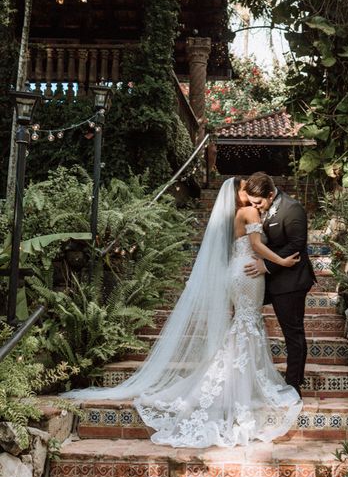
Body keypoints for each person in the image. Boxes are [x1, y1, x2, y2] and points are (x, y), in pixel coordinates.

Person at [62, 177, 302, 448]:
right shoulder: (248, 211)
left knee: (245, 323)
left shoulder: (235, 215)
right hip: (249, 272)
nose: (250, 192)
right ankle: (242, 384)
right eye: (245, 188)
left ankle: (240, 381)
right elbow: (257, 246)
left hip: (237, 271)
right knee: (247, 323)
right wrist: (281, 261)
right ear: (238, 194)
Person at [244, 172, 316, 398]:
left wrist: (266, 265)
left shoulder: (292, 209)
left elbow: (296, 245)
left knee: (293, 333)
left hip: (291, 282)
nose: (255, 207)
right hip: (269, 283)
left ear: (271, 194)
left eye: (258, 202)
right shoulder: (260, 209)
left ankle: (294, 385)